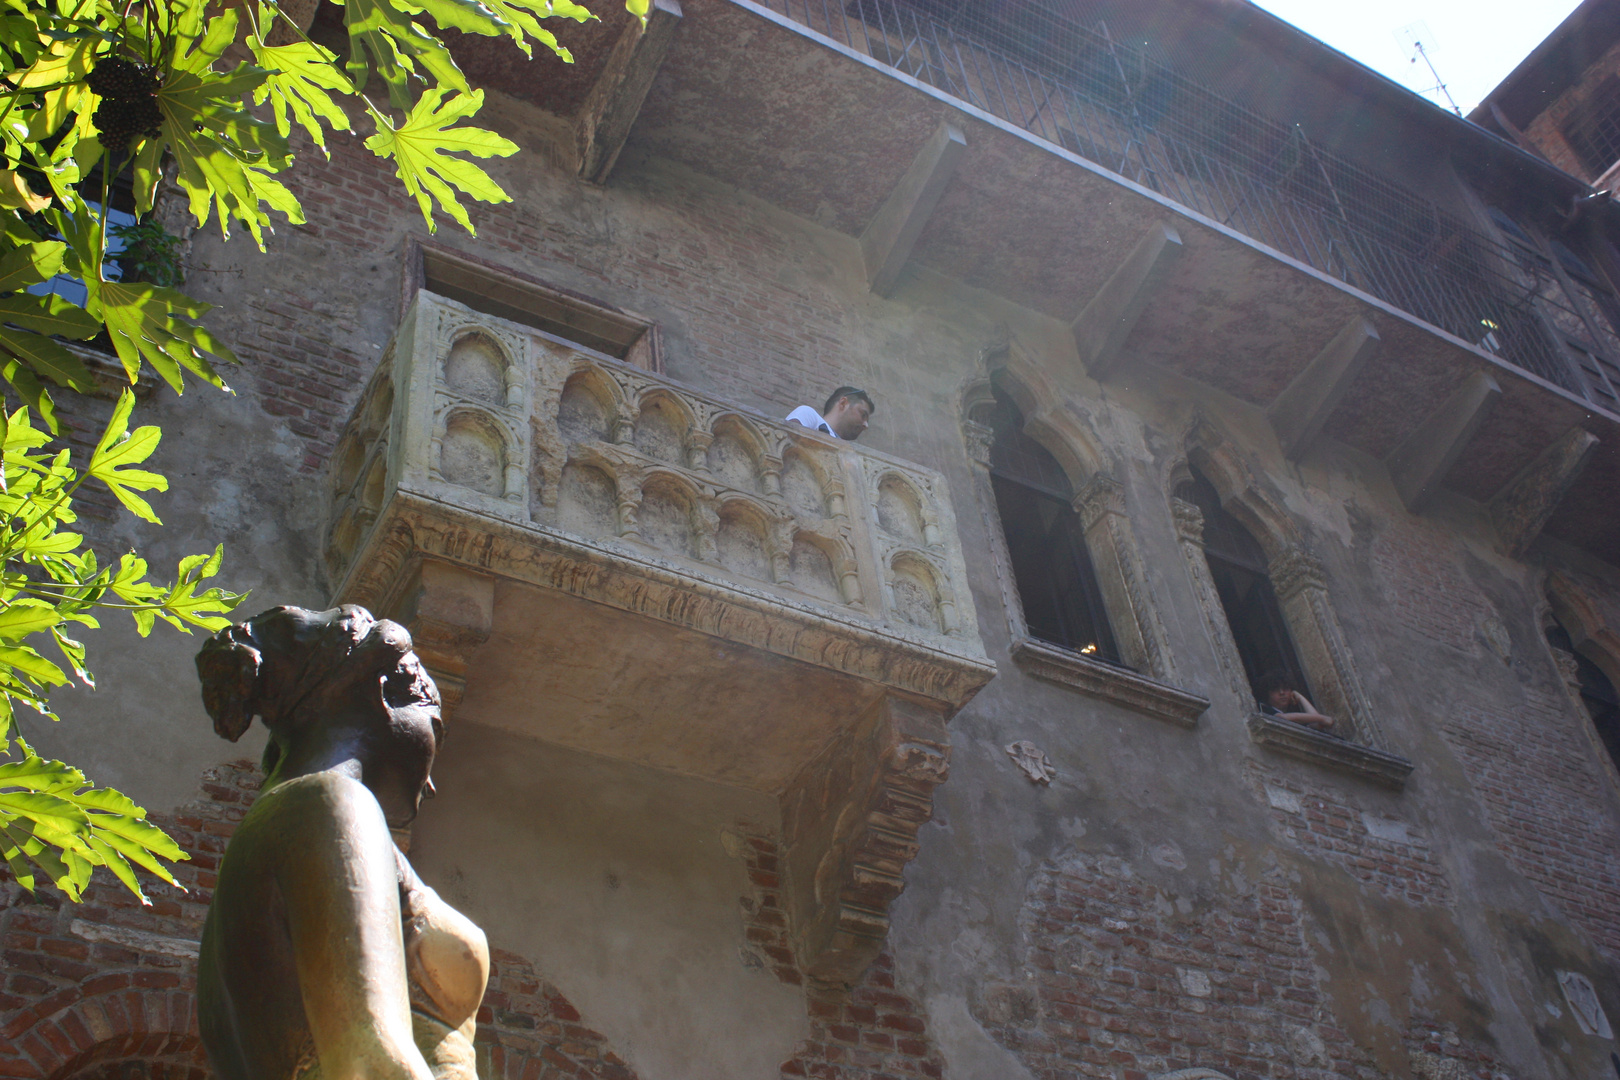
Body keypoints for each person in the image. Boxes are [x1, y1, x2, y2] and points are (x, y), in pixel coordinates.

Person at [195, 605, 487, 1080]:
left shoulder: (290, 816)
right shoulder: (329, 804)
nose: (431, 783)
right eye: (434, 723)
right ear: (385, 694)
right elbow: (371, 1062)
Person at [1255, 670, 1335, 734]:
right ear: (1267, 693)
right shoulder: (1264, 708)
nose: (1282, 693)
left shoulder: (1294, 715)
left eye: (1286, 688)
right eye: (1275, 689)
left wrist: (1300, 697)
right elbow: (1283, 718)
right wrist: (1322, 718)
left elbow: (1318, 724)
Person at [786, 386, 875, 441]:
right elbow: (787, 440)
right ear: (843, 403)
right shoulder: (808, 414)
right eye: (863, 415)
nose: (866, 425)